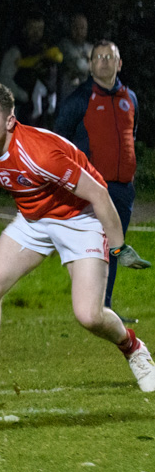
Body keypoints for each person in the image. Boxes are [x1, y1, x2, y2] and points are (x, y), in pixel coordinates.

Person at [0, 82, 154, 394]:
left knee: (89, 315)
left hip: (79, 220)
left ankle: (133, 347)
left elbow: (99, 194)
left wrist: (118, 246)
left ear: (10, 120)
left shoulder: (40, 153)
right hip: (32, 220)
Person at [54, 40, 149, 315]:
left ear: (119, 64)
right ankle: (90, 305)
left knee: (114, 247)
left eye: (110, 57)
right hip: (92, 188)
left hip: (122, 190)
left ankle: (104, 307)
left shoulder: (130, 98)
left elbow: (132, 134)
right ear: (91, 64)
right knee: (93, 246)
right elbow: (59, 140)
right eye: (99, 57)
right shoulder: (79, 99)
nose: (104, 61)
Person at [0, 14, 63, 126]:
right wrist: (24, 96)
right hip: (21, 109)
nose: (36, 33)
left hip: (43, 111)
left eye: (39, 29)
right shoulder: (15, 52)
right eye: (32, 29)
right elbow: (4, 80)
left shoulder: (45, 50)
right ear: (24, 29)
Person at [58, 13, 92, 100]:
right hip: (69, 94)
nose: (79, 32)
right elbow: (79, 66)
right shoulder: (64, 45)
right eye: (75, 28)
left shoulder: (90, 47)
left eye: (82, 28)